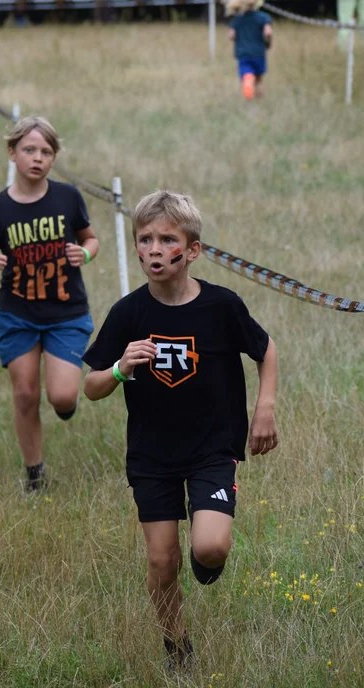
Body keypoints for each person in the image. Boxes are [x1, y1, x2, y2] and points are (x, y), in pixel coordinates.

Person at [81, 190, 279, 672]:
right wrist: (121, 369)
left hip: (212, 447)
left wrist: (265, 408)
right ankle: (176, 646)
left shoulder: (221, 306)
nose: (153, 248)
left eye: (166, 239)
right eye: (144, 239)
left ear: (191, 250)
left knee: (209, 548)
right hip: (151, 455)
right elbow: (90, 386)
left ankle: (205, 559)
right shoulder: (129, 313)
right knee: (160, 562)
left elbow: (265, 350)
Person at [0, 117, 100, 493]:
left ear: (54, 158)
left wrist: (84, 254)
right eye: (29, 150)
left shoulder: (67, 198)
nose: (37, 158)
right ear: (12, 153)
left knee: (61, 396)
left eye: (46, 152)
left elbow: (92, 240)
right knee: (26, 393)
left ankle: (65, 405)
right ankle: (35, 474)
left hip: (65, 313)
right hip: (18, 315)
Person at [224, 0, 273, 101]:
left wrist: (238, 39)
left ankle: (248, 85)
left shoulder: (237, 19)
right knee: (259, 79)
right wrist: (268, 42)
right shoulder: (263, 17)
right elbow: (268, 33)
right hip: (258, 53)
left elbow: (231, 36)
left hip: (243, 53)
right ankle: (258, 101)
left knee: (247, 75)